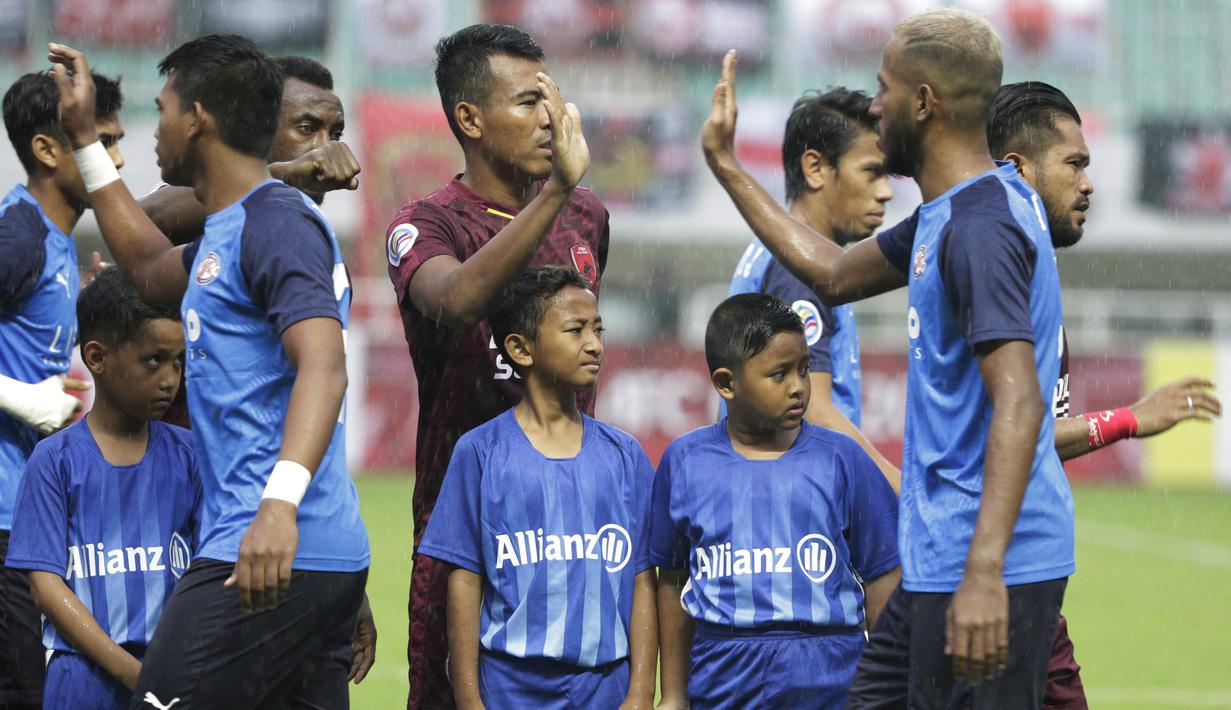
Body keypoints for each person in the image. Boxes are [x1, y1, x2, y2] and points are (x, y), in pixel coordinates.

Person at [701, 8, 1072, 706]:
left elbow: (1018, 398)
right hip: (940, 559)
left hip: (981, 562)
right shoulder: (950, 214)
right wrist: (726, 167)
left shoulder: (978, 227)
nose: (875, 105)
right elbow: (835, 273)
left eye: (884, 89)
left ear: (924, 102)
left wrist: (985, 570)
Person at [47, 35, 370, 708]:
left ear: (198, 118)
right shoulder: (231, 230)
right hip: (294, 551)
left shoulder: (275, 224)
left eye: (161, 109)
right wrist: (81, 137)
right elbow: (143, 267)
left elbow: (325, 367)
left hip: (264, 547)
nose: (153, 131)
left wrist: (278, 508)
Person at [384, 23, 608, 708]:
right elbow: (455, 301)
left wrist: (559, 197)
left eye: (552, 99)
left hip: (575, 527)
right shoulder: (426, 224)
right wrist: (549, 198)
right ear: (470, 119)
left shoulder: (588, 216)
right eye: (526, 102)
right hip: (466, 534)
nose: (550, 118)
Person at [988, 79, 1223, 710]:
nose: (1089, 183)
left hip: (1027, 578)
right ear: (1018, 168)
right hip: (996, 581)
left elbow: (1032, 445)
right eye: (1075, 164)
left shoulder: (1034, 269)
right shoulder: (996, 272)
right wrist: (1129, 419)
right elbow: (1008, 438)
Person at [419, 265, 656, 709]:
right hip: (510, 689)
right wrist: (469, 699)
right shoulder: (480, 454)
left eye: (598, 329)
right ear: (520, 349)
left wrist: (641, 692)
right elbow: (465, 581)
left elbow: (644, 578)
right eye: (575, 329)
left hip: (606, 689)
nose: (594, 344)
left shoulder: (626, 456)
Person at [652, 293, 900, 709]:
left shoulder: (842, 458)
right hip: (722, 674)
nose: (799, 387)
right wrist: (674, 693)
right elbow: (672, 578)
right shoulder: (684, 461)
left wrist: (887, 690)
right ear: (726, 383)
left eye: (804, 369)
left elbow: (883, 576)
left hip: (831, 672)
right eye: (779, 374)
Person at [4, 267, 197, 709]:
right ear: (97, 357)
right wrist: (135, 674)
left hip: (174, 681)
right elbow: (45, 586)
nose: (170, 379)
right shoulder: (54, 460)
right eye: (154, 360)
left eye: (178, 361)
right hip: (82, 683)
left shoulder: (191, 457)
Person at [0, 69, 125, 709]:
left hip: (28, 515)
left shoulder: (53, 242)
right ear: (49, 150)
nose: (120, 158)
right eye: (101, 141)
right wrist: (24, 400)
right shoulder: (16, 236)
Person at [726, 87, 898, 488]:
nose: (886, 191)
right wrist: (898, 490)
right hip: (792, 507)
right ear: (816, 168)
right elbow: (812, 409)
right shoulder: (801, 270)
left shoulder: (780, 253)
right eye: (872, 172)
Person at [141, 54, 361, 246]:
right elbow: (146, 218)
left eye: (335, 135)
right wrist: (280, 176)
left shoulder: (307, 231)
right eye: (307, 128)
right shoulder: (197, 188)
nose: (325, 147)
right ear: (258, 127)